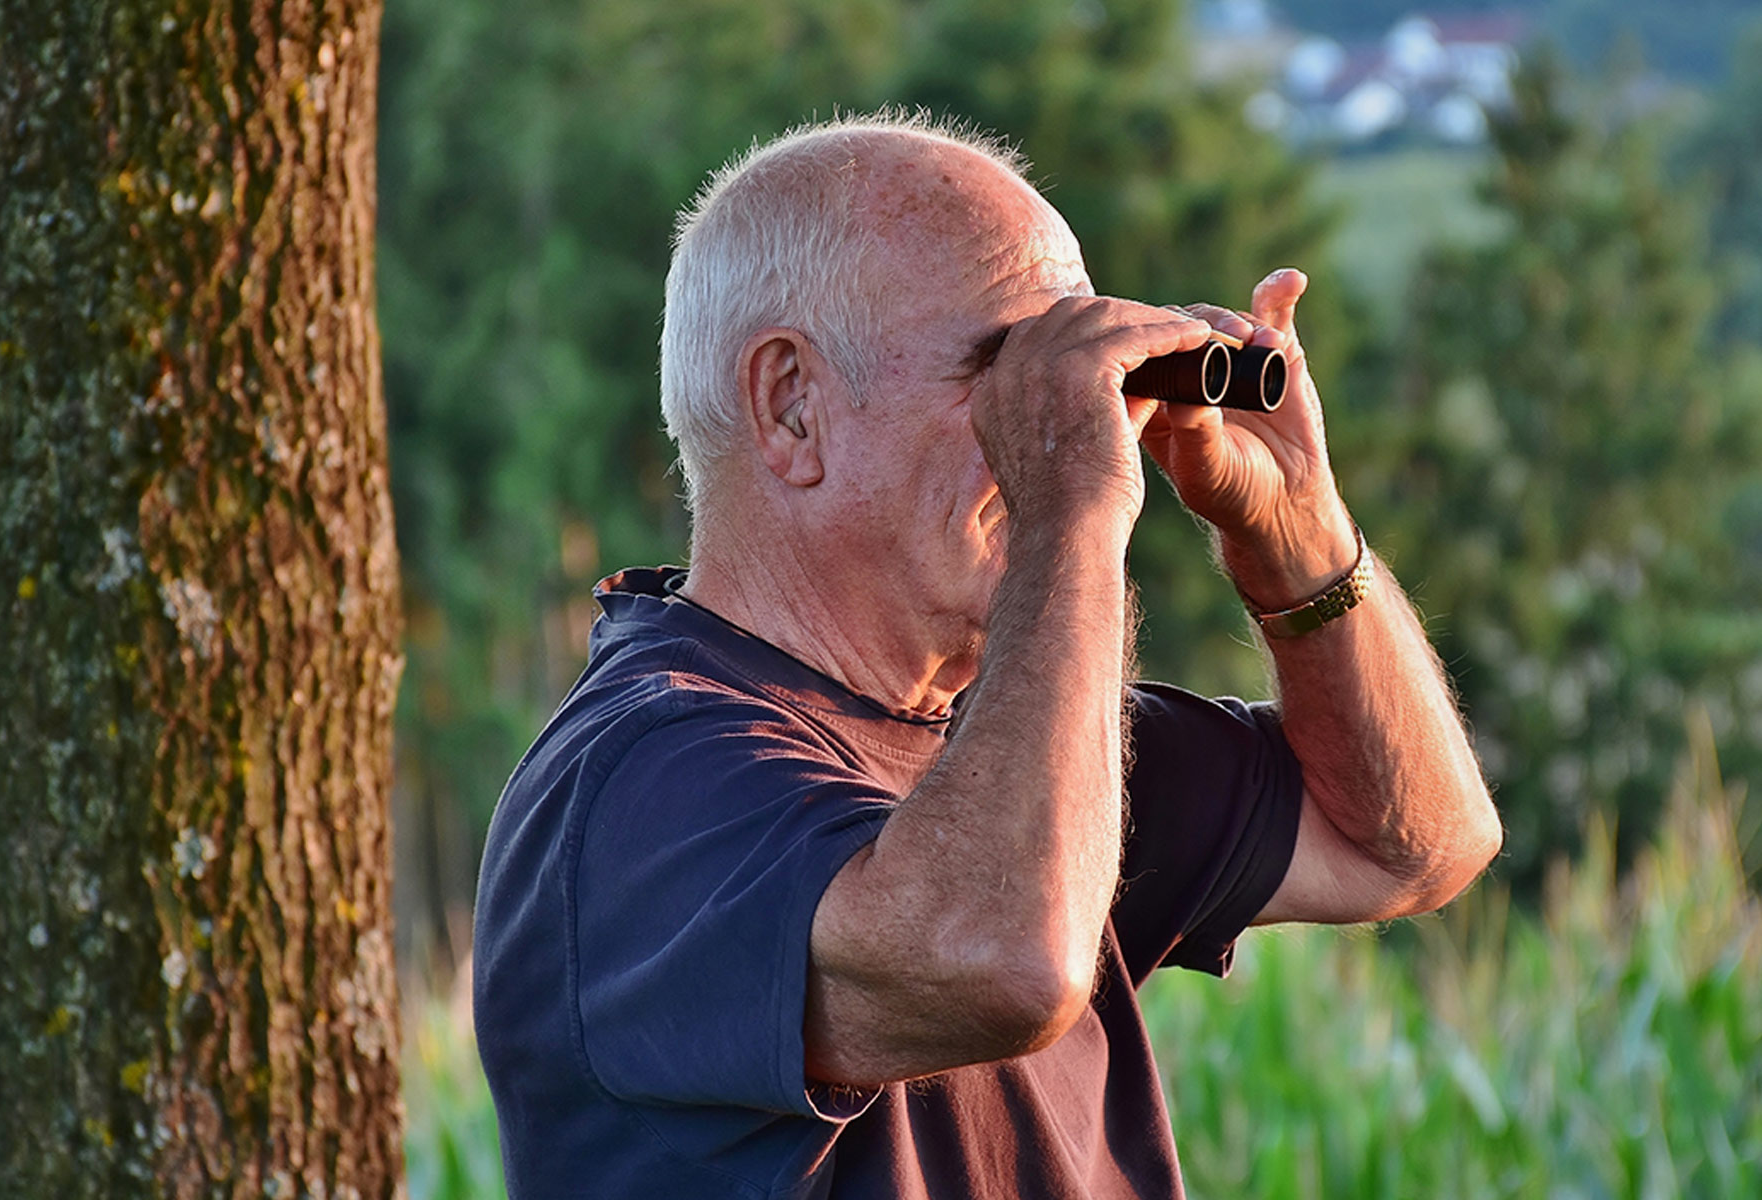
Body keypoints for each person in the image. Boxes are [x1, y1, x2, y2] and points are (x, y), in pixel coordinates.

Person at [472, 113, 1502, 1199]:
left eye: (1069, 377)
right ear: (790, 405)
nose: (1063, 421)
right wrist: (1072, 504)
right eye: (1010, 370)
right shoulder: (641, 782)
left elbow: (1408, 845)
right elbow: (1000, 963)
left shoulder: (1003, 743)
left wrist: (1293, 533)